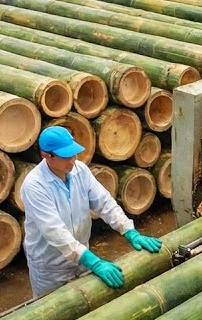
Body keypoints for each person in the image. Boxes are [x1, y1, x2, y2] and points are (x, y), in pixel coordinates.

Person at [19, 125, 163, 297]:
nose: (72, 160)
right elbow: (54, 231)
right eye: (66, 156)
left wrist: (130, 231)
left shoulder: (80, 170)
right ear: (46, 156)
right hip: (51, 268)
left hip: (82, 257)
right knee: (54, 315)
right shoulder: (34, 186)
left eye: (73, 154)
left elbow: (105, 203)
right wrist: (94, 262)